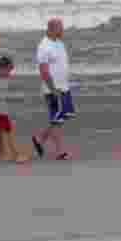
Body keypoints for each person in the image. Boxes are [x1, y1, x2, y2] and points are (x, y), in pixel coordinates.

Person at [31, 17, 73, 160]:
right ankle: (60, 152)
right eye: (60, 28)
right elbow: (44, 71)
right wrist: (53, 89)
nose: (63, 30)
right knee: (57, 120)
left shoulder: (59, 43)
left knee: (62, 117)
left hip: (64, 87)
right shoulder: (44, 47)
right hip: (53, 89)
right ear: (52, 29)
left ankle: (40, 139)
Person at [0, 53, 32, 164]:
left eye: (11, 70)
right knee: (8, 133)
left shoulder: (4, 78)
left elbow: (1, 95)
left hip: (1, 110)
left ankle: (4, 155)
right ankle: (15, 155)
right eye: (8, 70)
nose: (10, 73)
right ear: (2, 68)